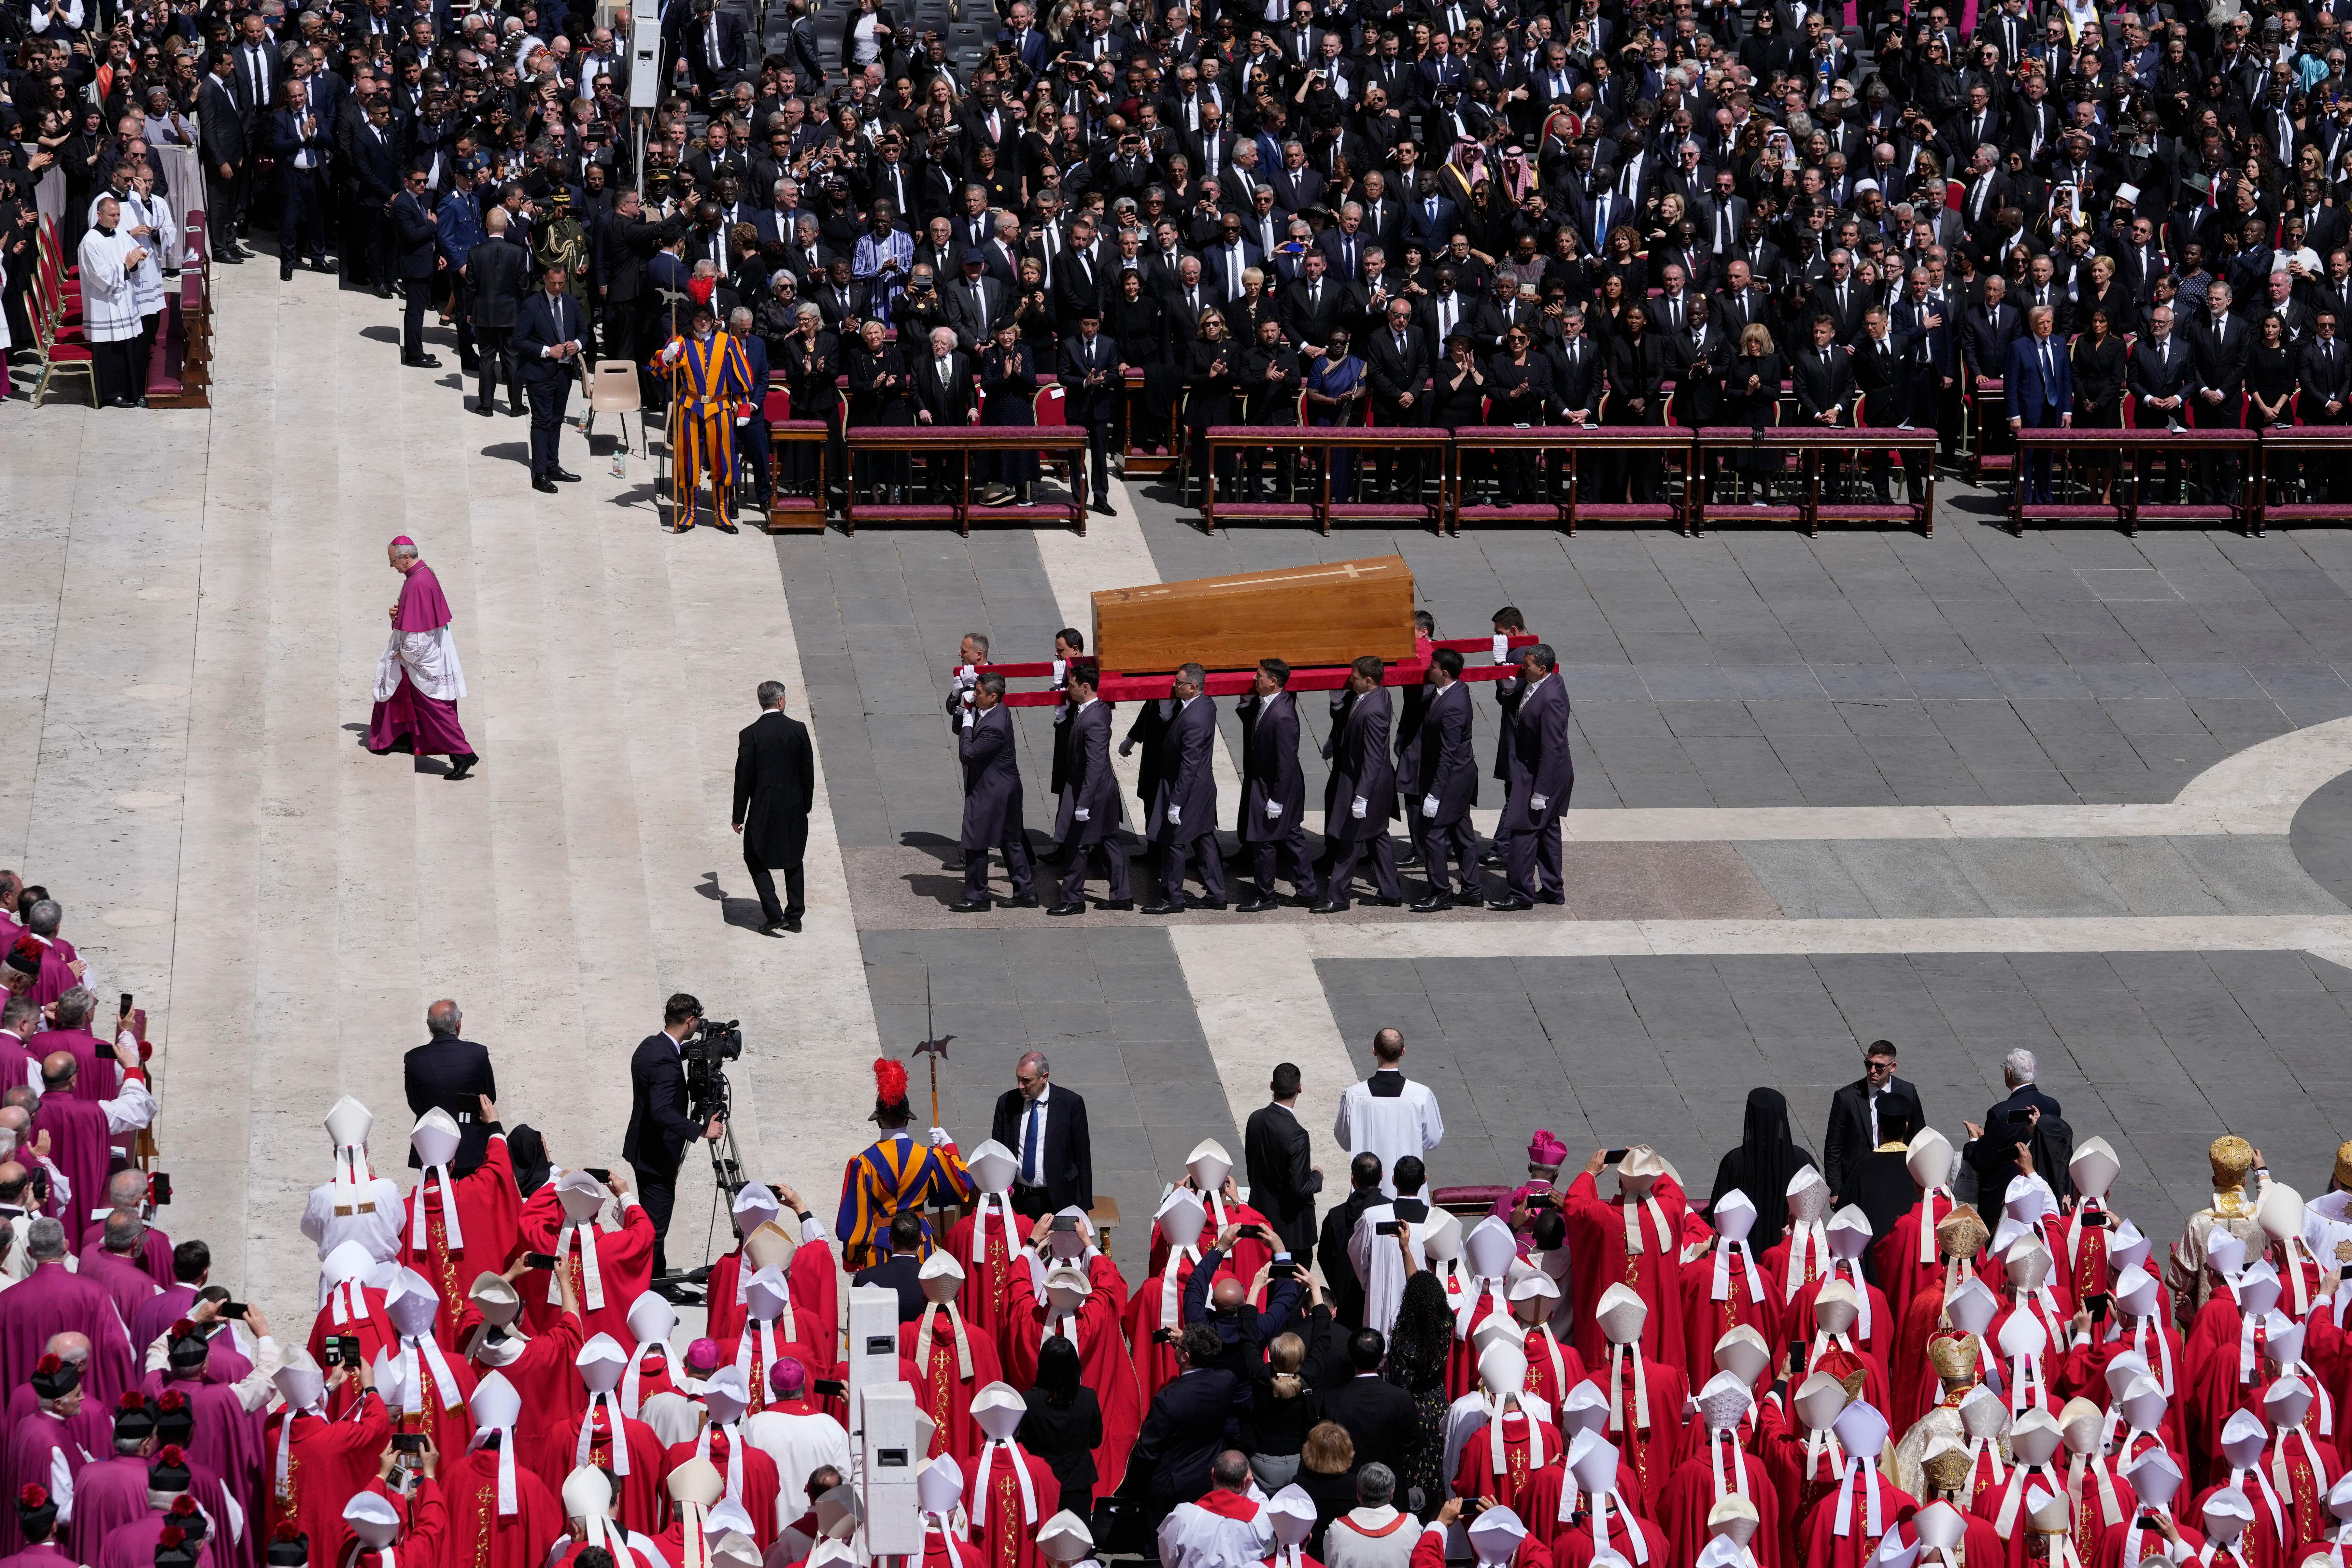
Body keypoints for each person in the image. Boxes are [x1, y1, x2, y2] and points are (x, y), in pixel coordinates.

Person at [621, 993, 727, 1280]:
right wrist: (702, 1130)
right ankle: (652, 1284)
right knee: (656, 1226)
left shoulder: (651, 1046)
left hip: (642, 1149)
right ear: (690, 1021)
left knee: (652, 1220)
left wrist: (686, 1050)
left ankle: (652, 1276)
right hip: (657, 1156)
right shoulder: (665, 1065)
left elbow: (662, 1063)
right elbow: (662, 1112)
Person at [837, 1058, 972, 1269]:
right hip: (921, 1249)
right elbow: (960, 1186)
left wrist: (852, 1261)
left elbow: (854, 1221)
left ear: (879, 1120)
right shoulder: (930, 1157)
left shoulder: (862, 1163)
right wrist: (948, 1147)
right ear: (908, 1120)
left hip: (879, 1253)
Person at [366, 536, 478, 781]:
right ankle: (399, 736)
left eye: (393, 561)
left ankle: (463, 754)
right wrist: (398, 614)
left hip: (425, 659)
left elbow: (420, 636)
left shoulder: (417, 584)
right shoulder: (422, 575)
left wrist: (403, 654)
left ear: (406, 557)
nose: (392, 566)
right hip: (428, 652)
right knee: (401, 692)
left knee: (436, 708)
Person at [1122, 1328, 1244, 1532]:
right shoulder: (1227, 1381)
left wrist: (1135, 1495)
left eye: (1178, 1347)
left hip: (1170, 1490)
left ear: (1185, 1358)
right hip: (1207, 1478)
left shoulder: (1168, 1400)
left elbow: (1147, 1453)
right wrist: (1193, 1345)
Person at [654, 298, 758, 531]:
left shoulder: (727, 342)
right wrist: (666, 356)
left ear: (714, 320)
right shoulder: (681, 341)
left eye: (707, 318)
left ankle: (721, 514)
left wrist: (743, 407)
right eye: (699, 318)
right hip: (690, 408)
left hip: (720, 409)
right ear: (692, 320)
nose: (703, 322)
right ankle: (689, 512)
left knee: (722, 462)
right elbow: (657, 371)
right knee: (689, 463)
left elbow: (740, 380)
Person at [1315, 657, 1403, 913]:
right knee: (1377, 836)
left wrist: (1362, 796)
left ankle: (1338, 897)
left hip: (1368, 787)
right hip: (1373, 784)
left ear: (1369, 680)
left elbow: (1374, 758)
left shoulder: (1373, 710)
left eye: (1354, 677)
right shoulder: (1378, 696)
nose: (1349, 679)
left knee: (1350, 839)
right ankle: (1391, 891)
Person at [1047, 664, 1132, 916]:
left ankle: (1073, 899)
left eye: (1071, 685)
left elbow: (1094, 766)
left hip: (1090, 792)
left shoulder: (1093, 719)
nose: (1068, 689)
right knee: (1108, 843)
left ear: (1085, 687)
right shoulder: (1097, 709)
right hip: (1100, 791)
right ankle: (1123, 895)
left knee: (1077, 844)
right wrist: (1063, 722)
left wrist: (1083, 803)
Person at [1489, 643, 1569, 911]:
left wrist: (1541, 792)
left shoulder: (1552, 698)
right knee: (1547, 832)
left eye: (1528, 665)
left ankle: (1521, 894)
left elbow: (1553, 747)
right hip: (1534, 771)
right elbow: (1511, 702)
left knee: (1523, 833)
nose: (1522, 668)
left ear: (1542, 669)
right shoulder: (1535, 683)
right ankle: (1553, 889)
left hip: (1541, 776)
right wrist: (1508, 684)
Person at [1236, 658, 1320, 912]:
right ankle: (1307, 890)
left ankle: (1266, 895)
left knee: (1264, 842)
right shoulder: (1269, 703)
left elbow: (1286, 762)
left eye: (1259, 675)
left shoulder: (1283, 715)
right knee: (1293, 837)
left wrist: (1277, 799)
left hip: (1275, 787)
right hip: (1271, 784)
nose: (1254, 678)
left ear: (1273, 682)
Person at [734, 680, 817, 935]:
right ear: (780, 701)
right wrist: (806, 805)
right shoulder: (798, 729)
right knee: (794, 858)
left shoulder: (750, 735)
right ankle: (794, 917)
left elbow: (743, 778)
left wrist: (738, 816)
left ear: (762, 702)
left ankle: (774, 913)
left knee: (754, 855)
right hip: (793, 806)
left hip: (763, 807)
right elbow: (808, 772)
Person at [1145, 663, 1226, 914]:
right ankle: (1217, 893)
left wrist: (1176, 802)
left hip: (1186, 788)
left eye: (1178, 683)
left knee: (1174, 842)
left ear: (1193, 687)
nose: (1173, 685)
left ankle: (1173, 898)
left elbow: (1189, 765)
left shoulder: (1193, 719)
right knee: (1204, 838)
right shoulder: (1204, 705)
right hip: (1202, 786)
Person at [952, 673, 1036, 912]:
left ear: (993, 696)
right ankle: (1026, 891)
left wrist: (968, 721)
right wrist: (966, 709)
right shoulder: (995, 710)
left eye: (978, 692)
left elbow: (968, 755)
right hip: (1006, 787)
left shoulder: (995, 726)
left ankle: (978, 897)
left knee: (976, 840)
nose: (974, 695)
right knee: (1011, 841)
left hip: (992, 791)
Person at [1407, 648, 1478, 912]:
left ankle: (1441, 891)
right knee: (1462, 833)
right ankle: (1473, 889)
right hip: (1458, 776)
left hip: (1450, 780)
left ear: (1444, 673)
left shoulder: (1453, 706)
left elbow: (1448, 755)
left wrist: (1435, 795)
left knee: (1433, 835)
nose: (1429, 669)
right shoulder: (1454, 691)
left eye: (1433, 666)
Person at [1708, 1088, 1818, 1254]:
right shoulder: (1803, 1161)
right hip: (1789, 1255)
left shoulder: (1734, 1162)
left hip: (1744, 1255)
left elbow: (1718, 1215)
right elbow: (1814, 1212)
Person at [1334, 1032, 1442, 1194]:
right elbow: (1433, 1140)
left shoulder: (1354, 1096)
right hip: (1409, 1190)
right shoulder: (1421, 1094)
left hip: (1366, 1189)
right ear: (1403, 1052)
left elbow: (1344, 1140)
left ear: (1374, 1051)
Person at [989, 1052, 1092, 1220]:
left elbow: (1083, 1157)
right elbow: (997, 1152)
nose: (1021, 1086)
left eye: (1027, 1081)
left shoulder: (1070, 1104)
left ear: (1044, 1077)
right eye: (1018, 1079)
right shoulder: (1006, 1103)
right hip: (1018, 1200)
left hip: (1058, 1199)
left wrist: (1085, 1205)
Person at [513, 263, 587, 494]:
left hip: (564, 374)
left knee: (556, 420)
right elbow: (518, 341)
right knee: (542, 420)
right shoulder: (532, 306)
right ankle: (540, 473)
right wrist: (547, 351)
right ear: (545, 279)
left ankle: (553, 466)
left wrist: (578, 344)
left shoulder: (572, 304)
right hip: (540, 374)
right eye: (553, 283)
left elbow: (585, 332)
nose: (557, 287)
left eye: (561, 283)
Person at [403, 999, 498, 1173]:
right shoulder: (478, 1053)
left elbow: (414, 1103)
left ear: (430, 1027)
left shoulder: (413, 1058)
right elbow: (489, 1098)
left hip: (431, 1144)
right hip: (472, 1144)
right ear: (458, 1024)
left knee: (435, 1197)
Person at [1824, 1041, 1924, 1205]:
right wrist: (1836, 1190)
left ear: (1893, 1067)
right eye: (1868, 1064)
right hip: (1861, 1182)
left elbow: (1919, 1137)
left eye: (1879, 1067)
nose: (1872, 1071)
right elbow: (1834, 1147)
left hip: (1899, 1179)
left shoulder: (1907, 1091)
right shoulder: (1847, 1098)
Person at [1020, 1334, 1105, 1521]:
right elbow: (1096, 1440)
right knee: (1077, 1541)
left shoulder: (1028, 1401)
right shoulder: (1088, 1397)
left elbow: (1022, 1441)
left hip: (1040, 1482)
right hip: (1078, 1483)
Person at [1962, 1048, 2065, 1199]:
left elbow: (1980, 1161)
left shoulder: (2000, 1112)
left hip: (2004, 1194)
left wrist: (1974, 1142)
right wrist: (1989, 1137)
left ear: (2008, 1074)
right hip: (2040, 1189)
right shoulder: (2053, 1106)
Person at [1246, 1064, 1321, 1265]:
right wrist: (1317, 1176)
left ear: (1272, 1086)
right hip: (1292, 1233)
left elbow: (1253, 1170)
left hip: (1260, 1222)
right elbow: (1300, 1188)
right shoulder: (1297, 1135)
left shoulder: (1255, 1119)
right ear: (1300, 1088)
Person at [76, 198, 147, 409]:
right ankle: (113, 394)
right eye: (112, 215)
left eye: (118, 215)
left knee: (127, 347)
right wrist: (127, 266)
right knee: (111, 352)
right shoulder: (90, 242)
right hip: (104, 306)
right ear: (100, 215)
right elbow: (100, 275)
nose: (117, 219)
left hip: (123, 302)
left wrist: (138, 260)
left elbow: (134, 255)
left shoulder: (120, 235)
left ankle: (132, 390)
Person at [1157, 1449, 1272, 1567]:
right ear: (1246, 1482)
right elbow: (1265, 1505)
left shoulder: (1184, 1516)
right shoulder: (1259, 1519)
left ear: (1213, 1474)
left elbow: (1168, 1559)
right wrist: (1249, 1487)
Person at [2005, 304, 2072, 502]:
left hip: (2053, 411)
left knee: (2047, 458)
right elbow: (2011, 385)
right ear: (2032, 325)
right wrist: (2014, 415)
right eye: (2041, 323)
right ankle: (2024, 500)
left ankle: (2044, 498)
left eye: (2049, 322)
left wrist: (2067, 411)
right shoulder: (2019, 347)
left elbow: (2066, 381)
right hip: (2028, 413)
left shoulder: (2060, 344)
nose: (2046, 326)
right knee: (2027, 457)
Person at [1060, 308, 1120, 514]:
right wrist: (1085, 382)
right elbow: (1063, 376)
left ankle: (1101, 499)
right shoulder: (1069, 344)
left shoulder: (1109, 344)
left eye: (1094, 324)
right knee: (1076, 456)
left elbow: (1114, 373)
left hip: (1099, 408)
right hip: (1077, 409)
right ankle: (1079, 500)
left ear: (1099, 325)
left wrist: (1105, 380)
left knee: (1100, 455)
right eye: (1086, 324)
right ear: (1080, 324)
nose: (1090, 329)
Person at [852, 1210, 930, 1321]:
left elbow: (856, 1325)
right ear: (921, 1240)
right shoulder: (933, 1279)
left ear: (889, 1239)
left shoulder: (865, 1278)